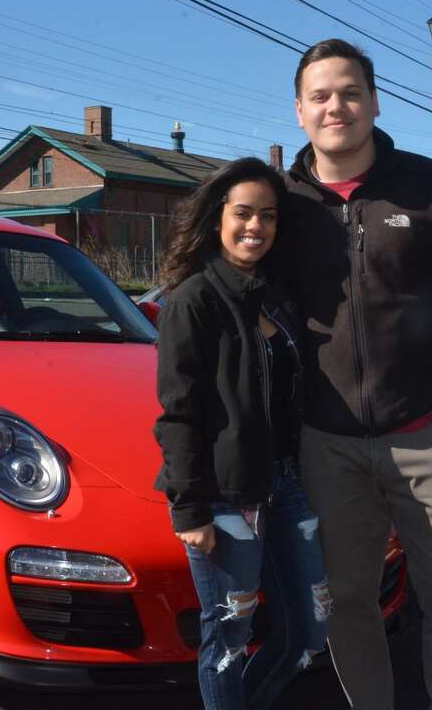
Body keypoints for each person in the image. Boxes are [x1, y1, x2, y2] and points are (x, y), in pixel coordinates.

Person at [278, 38, 432, 709]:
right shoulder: (282, 205)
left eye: (350, 92)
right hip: (326, 444)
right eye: (320, 95)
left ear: (375, 102)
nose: (337, 106)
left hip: (427, 435)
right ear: (299, 110)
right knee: (348, 605)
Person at [154, 157, 330, 710]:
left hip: (288, 484)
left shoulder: (276, 294)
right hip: (226, 496)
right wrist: (190, 510)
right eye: (244, 213)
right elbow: (178, 413)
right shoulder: (193, 301)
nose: (256, 226)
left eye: (269, 216)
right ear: (217, 218)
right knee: (228, 639)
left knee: (310, 630)